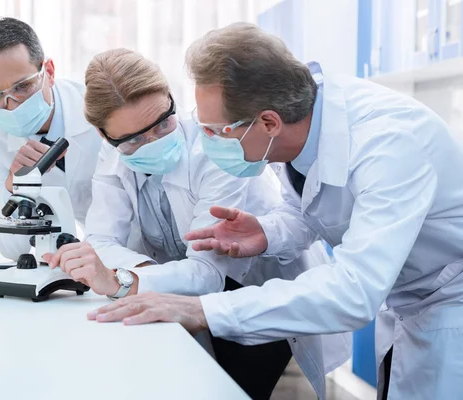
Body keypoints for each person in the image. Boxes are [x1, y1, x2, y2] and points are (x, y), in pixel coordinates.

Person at [85, 22, 463, 400]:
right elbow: (304, 211)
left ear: (268, 122)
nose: (207, 141)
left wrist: (205, 310)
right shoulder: (305, 124)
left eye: (218, 131)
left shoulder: (389, 146)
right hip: (407, 306)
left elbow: (353, 292)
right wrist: (267, 233)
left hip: (448, 308)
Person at [44, 48, 350, 399]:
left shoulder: (215, 149)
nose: (155, 140)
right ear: (105, 136)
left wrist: (121, 278)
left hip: (254, 292)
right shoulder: (112, 156)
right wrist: (136, 274)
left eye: (163, 122)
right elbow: (101, 239)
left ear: (171, 99)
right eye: (134, 140)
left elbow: (207, 273)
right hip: (178, 293)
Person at [0, 17, 102, 260]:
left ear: (48, 72)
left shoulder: (97, 112)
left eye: (22, 87)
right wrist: (12, 184)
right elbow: (10, 249)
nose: (12, 106)